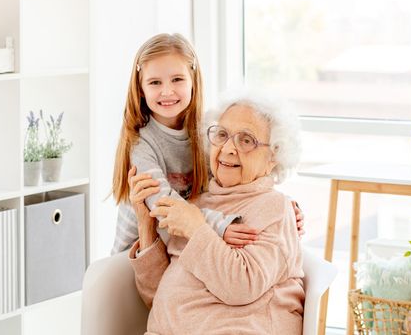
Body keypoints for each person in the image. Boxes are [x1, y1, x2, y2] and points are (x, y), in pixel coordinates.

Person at [128, 91, 305, 334]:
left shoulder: (275, 208)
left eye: (246, 140)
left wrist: (196, 228)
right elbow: (156, 296)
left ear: (273, 156)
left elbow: (241, 285)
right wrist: (146, 226)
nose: (228, 149)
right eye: (222, 135)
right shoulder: (198, 203)